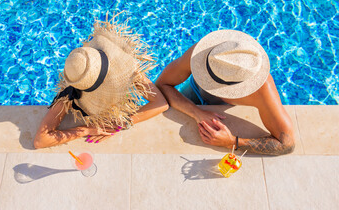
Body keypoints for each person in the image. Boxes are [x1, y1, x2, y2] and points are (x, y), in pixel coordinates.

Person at [34, 14, 168, 149]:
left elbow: (161, 103)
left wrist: (119, 124)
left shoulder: (126, 69)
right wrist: (85, 130)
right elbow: (41, 140)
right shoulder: (72, 91)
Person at [156, 30, 294, 155]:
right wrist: (196, 113)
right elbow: (162, 84)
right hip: (195, 91)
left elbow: (287, 144)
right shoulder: (206, 54)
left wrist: (233, 142)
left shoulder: (263, 90)